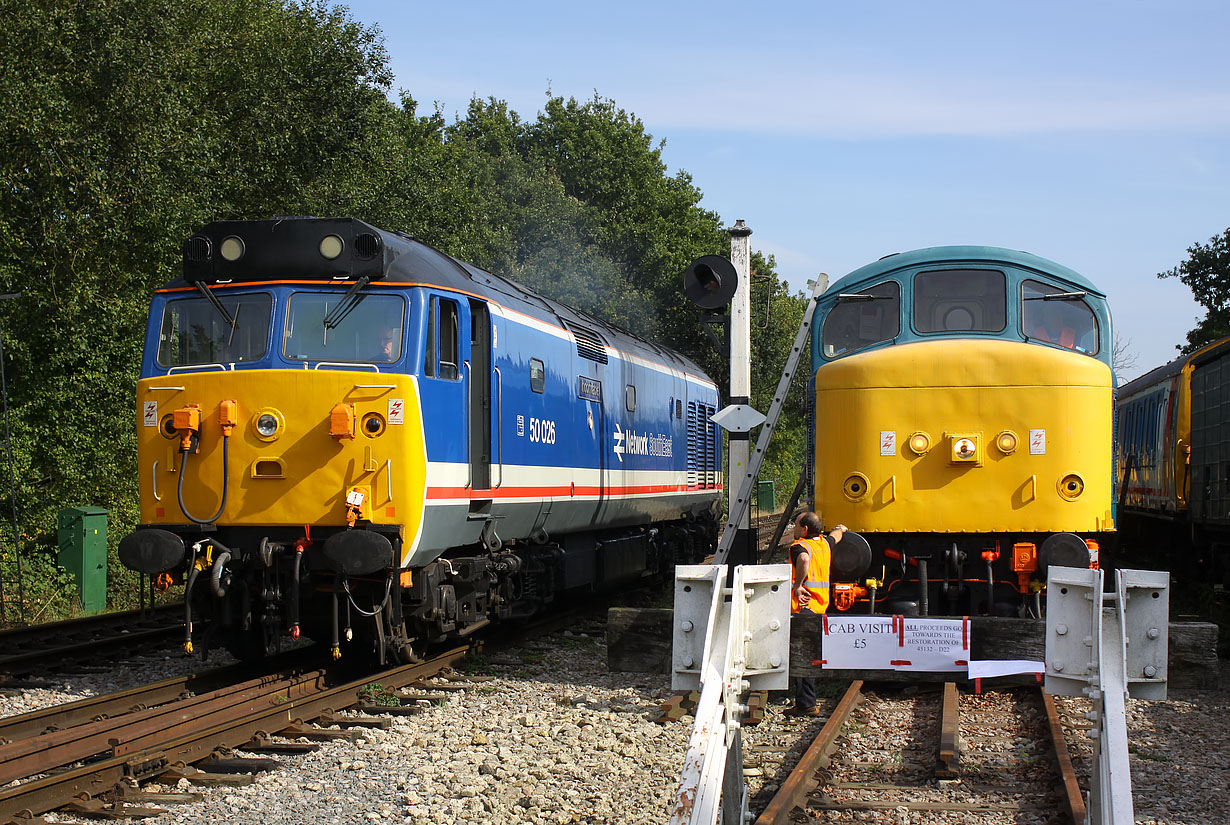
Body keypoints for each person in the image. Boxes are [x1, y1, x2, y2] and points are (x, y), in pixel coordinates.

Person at [790, 512, 846, 716]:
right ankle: (805, 702)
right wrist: (842, 529)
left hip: (805, 606)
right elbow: (835, 536)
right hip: (821, 605)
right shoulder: (824, 543)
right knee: (811, 653)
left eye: (796, 525)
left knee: (802, 655)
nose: (794, 528)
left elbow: (803, 560)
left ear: (804, 529)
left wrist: (797, 586)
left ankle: (806, 704)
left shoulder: (800, 547)